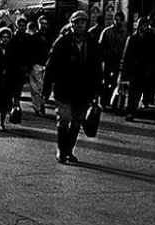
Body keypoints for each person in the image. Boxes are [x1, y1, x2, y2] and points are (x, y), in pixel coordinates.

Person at [43, 10, 103, 162]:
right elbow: (50, 66)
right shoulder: (62, 42)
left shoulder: (92, 42)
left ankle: (69, 150)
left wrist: (97, 91)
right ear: (72, 24)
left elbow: (97, 68)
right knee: (63, 119)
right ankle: (61, 150)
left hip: (83, 90)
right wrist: (46, 88)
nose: (80, 25)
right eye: (77, 22)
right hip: (64, 88)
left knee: (77, 121)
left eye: (83, 22)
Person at [120, 17, 155, 121]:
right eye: (143, 25)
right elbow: (126, 56)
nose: (145, 27)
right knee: (134, 92)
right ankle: (131, 112)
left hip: (146, 69)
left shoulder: (151, 38)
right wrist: (123, 71)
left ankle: (138, 107)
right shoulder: (132, 38)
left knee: (140, 90)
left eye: (146, 25)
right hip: (135, 69)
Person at [98, 12, 128, 108]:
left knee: (116, 82)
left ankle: (113, 101)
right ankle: (104, 101)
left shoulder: (125, 33)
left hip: (119, 61)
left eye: (120, 20)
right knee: (106, 81)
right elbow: (100, 46)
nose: (118, 22)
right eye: (117, 19)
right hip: (107, 60)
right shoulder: (107, 31)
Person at [9, 16, 33, 111]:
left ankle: (16, 101)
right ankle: (14, 101)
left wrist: (28, 66)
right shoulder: (13, 37)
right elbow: (10, 52)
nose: (22, 27)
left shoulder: (28, 38)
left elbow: (30, 53)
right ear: (17, 25)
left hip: (23, 66)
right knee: (13, 85)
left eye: (24, 25)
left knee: (19, 86)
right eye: (20, 25)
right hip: (13, 66)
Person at [30, 17, 52, 116]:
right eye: (42, 23)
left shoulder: (50, 37)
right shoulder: (34, 37)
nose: (43, 25)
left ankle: (42, 103)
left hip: (47, 64)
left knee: (45, 87)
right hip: (36, 64)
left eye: (45, 23)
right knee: (36, 88)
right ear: (38, 24)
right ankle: (37, 107)